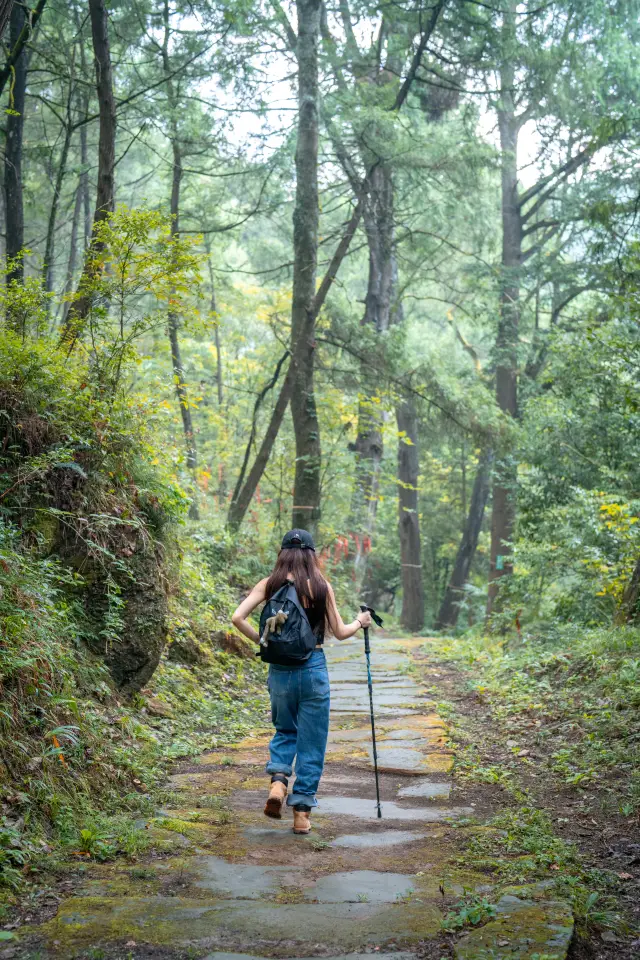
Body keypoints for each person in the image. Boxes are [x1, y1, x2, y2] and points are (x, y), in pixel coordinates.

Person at [231, 528, 372, 835]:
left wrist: (263, 640)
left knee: (285, 729)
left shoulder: (269, 584)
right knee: (313, 740)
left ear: (282, 554)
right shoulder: (320, 586)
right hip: (313, 668)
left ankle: (279, 782)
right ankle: (302, 814)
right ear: (311, 555)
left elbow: (237, 617)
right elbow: (340, 631)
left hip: (279, 670)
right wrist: (361, 622)